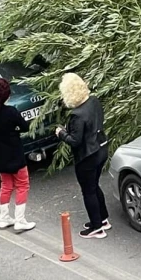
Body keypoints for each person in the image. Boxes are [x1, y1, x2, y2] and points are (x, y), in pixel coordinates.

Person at [55, 73, 110, 239]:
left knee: (88, 191)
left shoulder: (77, 115)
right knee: (94, 185)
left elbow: (75, 141)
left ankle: (96, 227)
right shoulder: (93, 101)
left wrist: (61, 133)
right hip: (101, 149)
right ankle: (103, 218)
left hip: (87, 156)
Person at [0, 78, 36, 231]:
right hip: (15, 155)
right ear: (6, 95)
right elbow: (25, 127)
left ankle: (4, 218)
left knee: (6, 186)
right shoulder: (11, 112)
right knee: (22, 185)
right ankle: (20, 220)